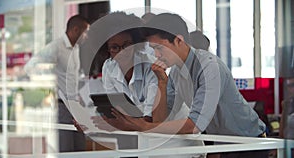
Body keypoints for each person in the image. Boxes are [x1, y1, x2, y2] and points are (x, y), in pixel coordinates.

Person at [93, 13, 268, 158]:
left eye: (159, 48)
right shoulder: (175, 72)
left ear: (178, 40)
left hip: (248, 142)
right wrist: (162, 82)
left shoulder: (209, 67)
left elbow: (193, 126)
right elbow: (160, 118)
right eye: (152, 49)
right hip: (224, 145)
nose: (155, 54)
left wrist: (143, 126)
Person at [24, 14, 90, 152]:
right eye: (85, 32)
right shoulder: (57, 46)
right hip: (62, 105)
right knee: (66, 148)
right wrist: (50, 82)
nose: (87, 37)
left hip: (75, 105)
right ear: (75, 30)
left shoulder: (75, 49)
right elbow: (30, 66)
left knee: (80, 149)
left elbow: (72, 77)